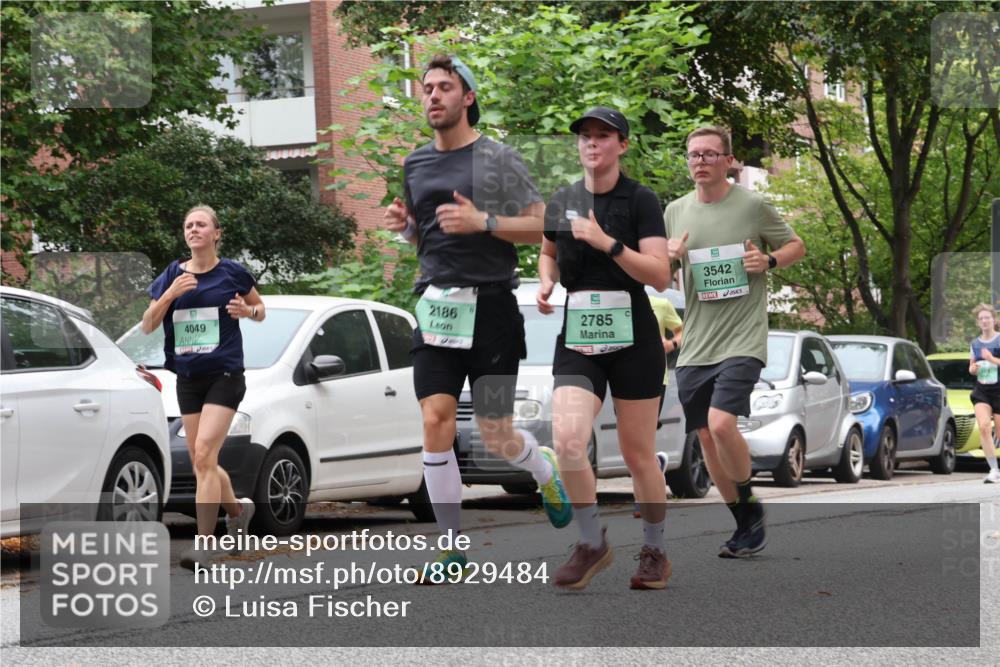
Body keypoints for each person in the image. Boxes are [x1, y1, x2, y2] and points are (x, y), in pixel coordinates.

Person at [383, 55, 571, 579]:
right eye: (427, 88)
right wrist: (405, 228)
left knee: (494, 431)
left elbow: (541, 229)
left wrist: (483, 221)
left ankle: (542, 467)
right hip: (437, 306)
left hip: (491, 310)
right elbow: (427, 238)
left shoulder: (497, 159)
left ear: (467, 98)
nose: (433, 96)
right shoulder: (416, 164)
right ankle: (451, 549)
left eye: (445, 87)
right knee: (435, 420)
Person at [537, 106, 673, 590]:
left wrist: (606, 242)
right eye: (585, 137)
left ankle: (654, 549)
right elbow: (548, 251)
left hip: (633, 333)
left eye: (603, 135)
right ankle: (593, 541)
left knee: (639, 453)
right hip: (579, 333)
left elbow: (660, 274)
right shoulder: (563, 199)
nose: (591, 143)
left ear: (622, 145)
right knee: (569, 440)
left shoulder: (641, 200)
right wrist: (547, 282)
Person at [665, 126, 805, 558]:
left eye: (709, 154)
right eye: (693, 155)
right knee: (705, 438)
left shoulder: (753, 205)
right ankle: (744, 520)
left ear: (729, 161)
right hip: (697, 344)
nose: (700, 161)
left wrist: (769, 260)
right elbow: (665, 274)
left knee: (722, 423)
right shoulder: (674, 211)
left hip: (743, 338)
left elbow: (796, 245)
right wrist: (667, 259)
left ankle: (747, 500)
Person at [142, 205, 264, 571]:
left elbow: (260, 309)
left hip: (225, 375)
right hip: (188, 379)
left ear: (216, 233)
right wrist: (169, 295)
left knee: (204, 454)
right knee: (202, 460)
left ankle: (205, 545)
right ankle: (238, 511)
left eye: (201, 224)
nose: (193, 230)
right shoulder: (170, 276)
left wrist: (248, 311)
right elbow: (148, 325)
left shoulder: (232, 273)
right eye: (188, 225)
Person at [631, 295, 684, 518]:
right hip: (622, 377)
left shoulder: (660, 304)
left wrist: (671, 343)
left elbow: (684, 330)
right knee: (632, 440)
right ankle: (656, 464)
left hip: (655, 378)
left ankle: (641, 500)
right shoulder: (615, 300)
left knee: (641, 438)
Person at [968, 303, 1000, 483]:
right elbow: (971, 367)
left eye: (987, 317)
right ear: (978, 323)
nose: (985, 321)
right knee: (984, 427)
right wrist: (973, 368)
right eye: (981, 319)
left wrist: (991, 359)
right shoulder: (975, 343)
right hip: (982, 390)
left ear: (994, 320)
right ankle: (994, 469)